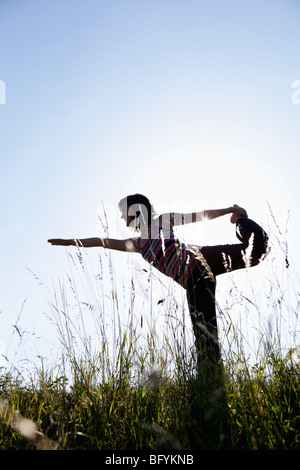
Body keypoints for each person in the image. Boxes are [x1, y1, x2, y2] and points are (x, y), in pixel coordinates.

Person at [48, 194, 269, 362]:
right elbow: (102, 241)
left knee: (257, 250)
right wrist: (69, 242)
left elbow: (201, 215)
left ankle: (241, 220)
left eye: (124, 211)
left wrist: (231, 210)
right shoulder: (137, 244)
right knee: (206, 340)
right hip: (191, 284)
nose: (123, 217)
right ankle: (211, 384)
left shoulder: (163, 221)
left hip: (202, 260)